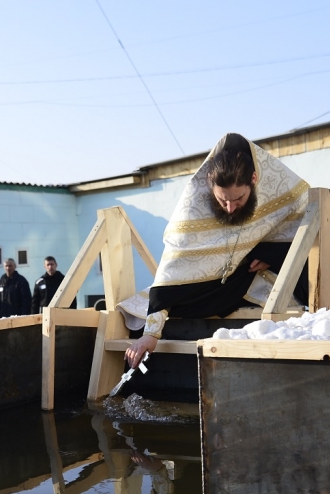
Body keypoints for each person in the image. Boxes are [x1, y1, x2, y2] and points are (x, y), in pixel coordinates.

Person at [124, 133, 310, 368]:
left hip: (254, 276)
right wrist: (151, 333)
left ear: (254, 179)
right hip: (214, 285)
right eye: (223, 201)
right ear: (210, 182)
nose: (231, 208)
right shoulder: (192, 208)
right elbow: (171, 275)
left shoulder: (281, 188)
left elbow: (305, 228)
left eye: (239, 199)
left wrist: (272, 254)